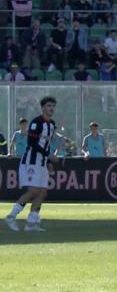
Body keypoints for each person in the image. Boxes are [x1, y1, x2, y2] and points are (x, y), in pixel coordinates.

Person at [4, 97, 59, 232]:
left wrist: (47, 161)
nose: (51, 108)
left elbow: (46, 145)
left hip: (41, 162)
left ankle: (31, 223)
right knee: (34, 190)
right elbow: (32, 143)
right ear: (43, 108)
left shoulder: (52, 124)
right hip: (31, 161)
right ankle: (11, 216)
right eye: (48, 106)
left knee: (42, 192)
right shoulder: (36, 122)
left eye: (53, 106)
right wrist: (48, 156)